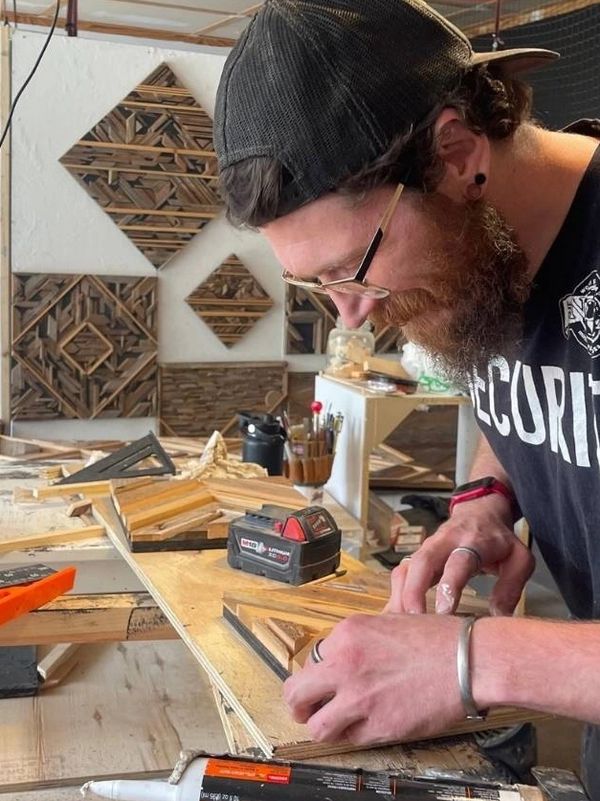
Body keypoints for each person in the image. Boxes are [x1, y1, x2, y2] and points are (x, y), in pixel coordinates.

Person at [213, 0, 600, 793]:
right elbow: (533, 388)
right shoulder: (485, 270)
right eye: (319, 285)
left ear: (456, 153)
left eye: (354, 267)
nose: (352, 312)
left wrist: (468, 659)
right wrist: (486, 501)